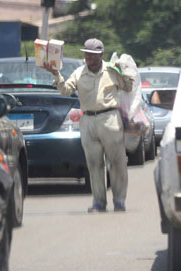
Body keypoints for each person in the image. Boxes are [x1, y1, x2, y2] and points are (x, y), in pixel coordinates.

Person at [42, 38, 133, 213]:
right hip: (88, 121)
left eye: (92, 54)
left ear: (101, 55)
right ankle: (99, 202)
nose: (88, 57)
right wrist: (55, 74)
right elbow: (65, 90)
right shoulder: (78, 73)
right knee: (94, 164)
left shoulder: (112, 71)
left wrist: (126, 72)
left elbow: (128, 88)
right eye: (86, 53)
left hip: (110, 119)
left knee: (116, 163)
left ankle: (119, 201)